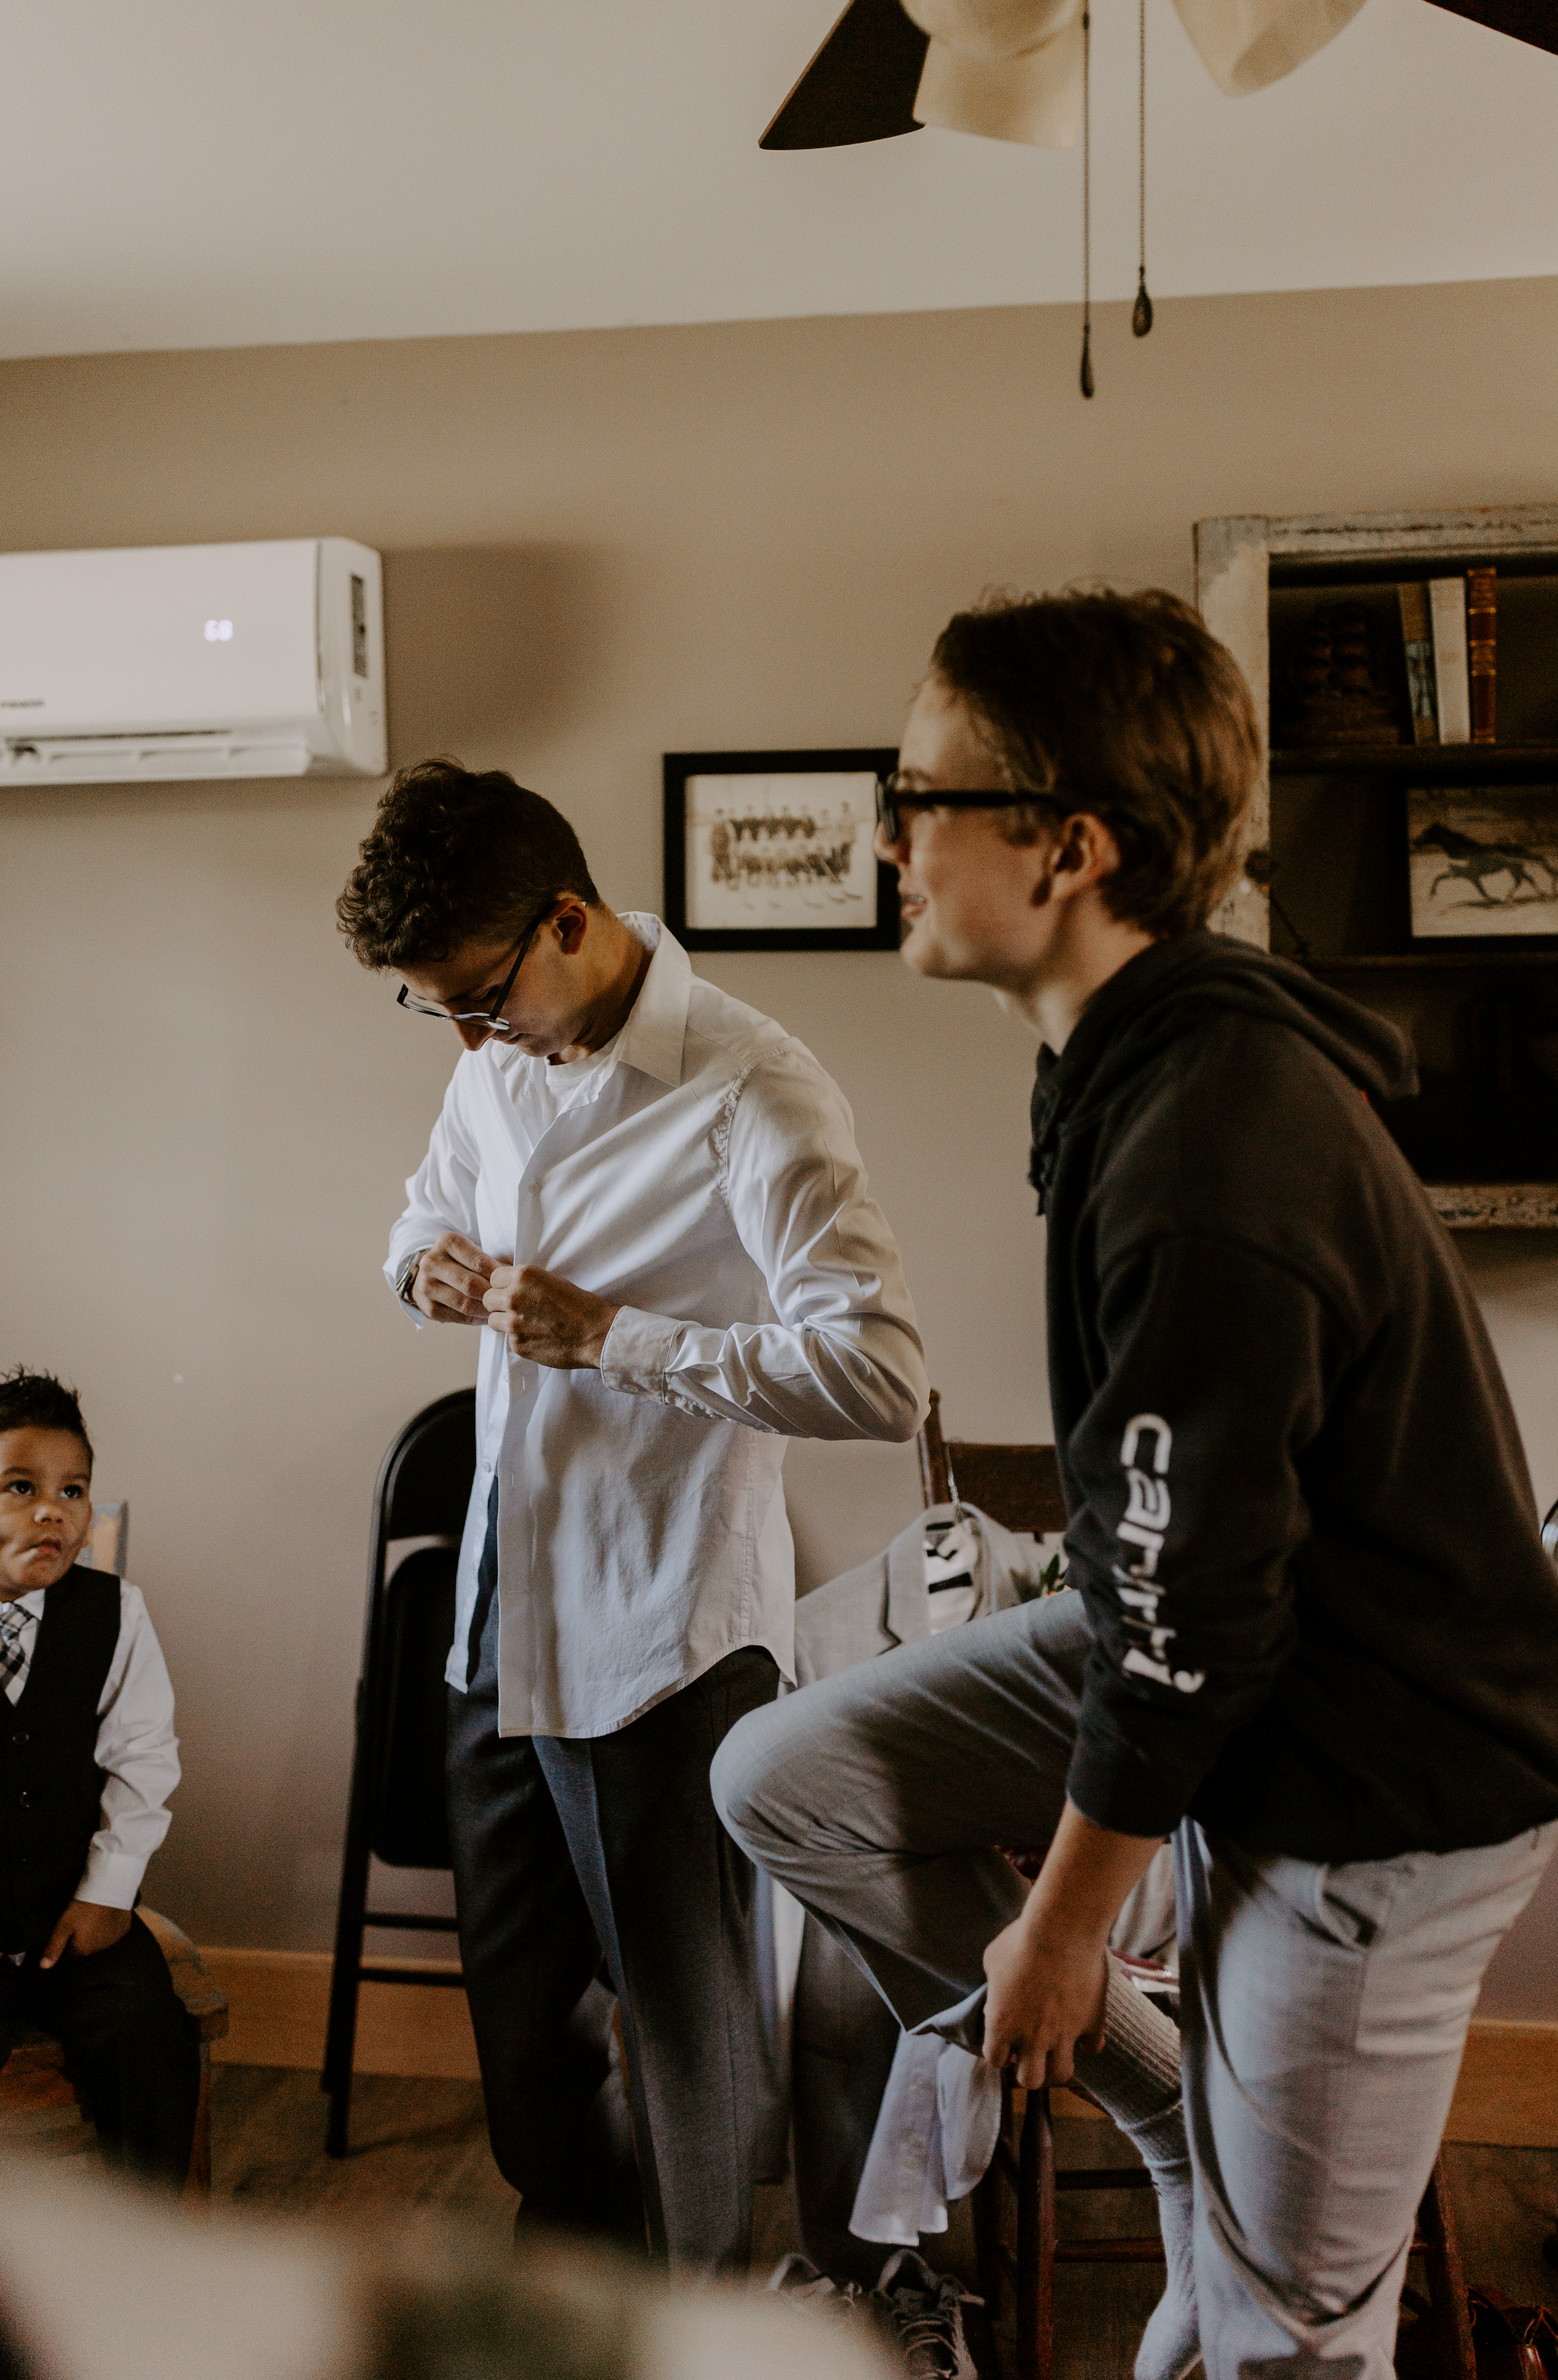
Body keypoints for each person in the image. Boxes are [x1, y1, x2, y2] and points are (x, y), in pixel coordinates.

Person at [714, 588, 1558, 2380]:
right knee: (790, 1775)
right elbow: (1172, 1578)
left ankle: (1241, 2215)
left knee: (1268, 2341)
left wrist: (1054, 1931)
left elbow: (1198, 1633)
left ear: (1067, 845)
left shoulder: (1206, 1150)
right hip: (1210, 1652)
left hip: (1374, 1798)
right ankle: (1186, 2108)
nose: (890, 835)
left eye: (919, 792)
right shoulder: (1131, 1063)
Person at [336, 759, 927, 2273]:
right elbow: (420, 1211)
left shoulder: (755, 1087)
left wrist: (618, 1338)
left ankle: (705, 2330)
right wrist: (428, 1275)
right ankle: (586, 2311)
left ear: (564, 922)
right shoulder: (489, 1059)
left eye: (476, 993)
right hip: (495, 1618)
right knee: (528, 2053)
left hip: (657, 1639)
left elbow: (880, 1378)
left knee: (689, 2043)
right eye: (437, 1009)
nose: (464, 1034)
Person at [0, 1367, 198, 2188]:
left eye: (74, 1490)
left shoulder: (115, 1612)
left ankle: (146, 2258)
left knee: (148, 2034)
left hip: (80, 1919)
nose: (53, 1509)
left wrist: (109, 1891)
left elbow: (143, 1756)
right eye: (21, 1486)